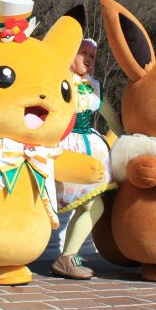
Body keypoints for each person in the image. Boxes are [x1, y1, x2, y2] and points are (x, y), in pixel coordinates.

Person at [52, 39, 122, 279]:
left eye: (93, 56)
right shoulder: (56, 80)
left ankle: (68, 258)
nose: (89, 60)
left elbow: (111, 117)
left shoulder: (93, 87)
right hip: (60, 147)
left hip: (87, 151)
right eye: (84, 53)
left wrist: (130, 137)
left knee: (94, 205)